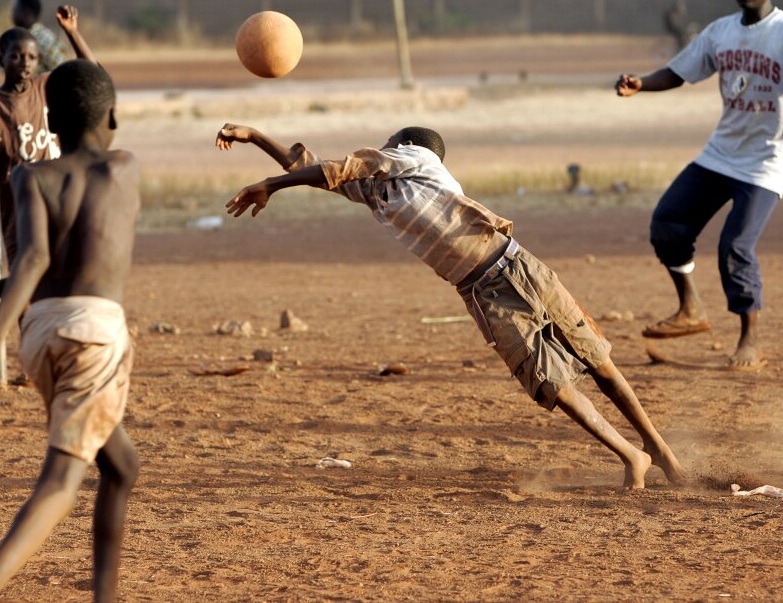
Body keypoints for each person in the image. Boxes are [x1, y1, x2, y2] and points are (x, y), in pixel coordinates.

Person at [216, 123, 685, 490]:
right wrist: (256, 138)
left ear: (405, 147)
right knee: (549, 382)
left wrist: (274, 185)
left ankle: (658, 447)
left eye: (389, 144)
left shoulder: (416, 157)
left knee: (595, 356)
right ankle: (632, 454)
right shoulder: (378, 193)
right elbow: (314, 167)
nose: (382, 149)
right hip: (480, 290)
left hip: (518, 265)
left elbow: (341, 165)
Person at [0, 60, 140, 603]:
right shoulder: (125, 168)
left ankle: (104, 595)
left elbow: (38, 260)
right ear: (113, 114)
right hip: (91, 336)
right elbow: (42, 258)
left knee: (120, 464)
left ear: (49, 123)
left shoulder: (30, 176)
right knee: (62, 478)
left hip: (40, 334)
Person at [614, 0, 783, 370]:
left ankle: (750, 339)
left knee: (735, 245)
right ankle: (690, 309)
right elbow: (678, 72)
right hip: (721, 153)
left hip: (766, 161)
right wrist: (641, 83)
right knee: (668, 223)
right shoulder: (720, 32)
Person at [0, 4, 97, 264]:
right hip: (19, 214)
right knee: (26, 281)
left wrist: (72, 33)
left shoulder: (48, 86)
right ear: (1, 59)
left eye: (32, 58)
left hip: (59, 201)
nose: (25, 63)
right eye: (16, 56)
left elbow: (93, 78)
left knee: (67, 275)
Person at [11, 0, 67, 74]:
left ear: (26, 12)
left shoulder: (42, 39)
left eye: (15, 10)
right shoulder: (28, 35)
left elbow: (61, 69)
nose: (13, 14)